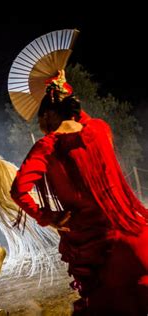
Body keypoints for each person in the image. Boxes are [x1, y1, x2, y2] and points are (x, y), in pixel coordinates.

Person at [10, 70, 148, 315]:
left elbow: (18, 190)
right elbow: (81, 120)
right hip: (137, 238)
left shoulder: (47, 146)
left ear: (50, 114)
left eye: (41, 119)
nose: (41, 126)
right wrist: (61, 86)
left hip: (100, 254)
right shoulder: (99, 129)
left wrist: (48, 217)